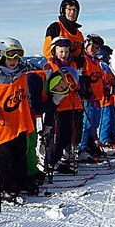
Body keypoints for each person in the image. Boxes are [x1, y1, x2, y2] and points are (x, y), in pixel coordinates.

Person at [0, 38, 37, 201]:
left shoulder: (23, 74)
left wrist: (32, 108)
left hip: (20, 121)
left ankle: (19, 182)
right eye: (10, 56)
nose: (14, 61)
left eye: (17, 57)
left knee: (21, 153)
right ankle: (0, 188)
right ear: (1, 56)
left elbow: (28, 95)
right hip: (3, 123)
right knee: (4, 156)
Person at [42, 36, 84, 175]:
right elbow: (46, 85)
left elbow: (77, 81)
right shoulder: (50, 65)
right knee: (54, 135)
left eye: (66, 51)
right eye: (61, 51)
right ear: (54, 51)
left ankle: (58, 160)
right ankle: (50, 161)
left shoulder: (72, 65)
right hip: (56, 106)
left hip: (70, 104)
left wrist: (80, 87)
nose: (64, 54)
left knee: (66, 134)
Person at [79, 34, 107, 160]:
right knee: (86, 124)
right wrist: (84, 89)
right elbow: (79, 77)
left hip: (97, 97)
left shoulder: (96, 62)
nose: (94, 50)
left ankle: (90, 144)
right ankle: (81, 148)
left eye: (97, 48)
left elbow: (100, 78)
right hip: (87, 98)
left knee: (94, 123)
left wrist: (105, 86)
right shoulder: (83, 60)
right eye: (92, 47)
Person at [42, 0, 85, 69]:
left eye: (75, 10)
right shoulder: (55, 27)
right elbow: (47, 51)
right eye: (69, 9)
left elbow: (81, 54)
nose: (72, 12)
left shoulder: (79, 35)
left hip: (73, 72)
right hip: (56, 70)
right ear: (63, 11)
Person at [97, 45, 115, 149]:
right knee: (105, 118)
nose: (109, 58)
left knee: (112, 117)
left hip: (110, 97)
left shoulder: (105, 66)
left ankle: (112, 136)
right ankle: (104, 138)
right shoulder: (100, 66)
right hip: (104, 98)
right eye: (108, 56)